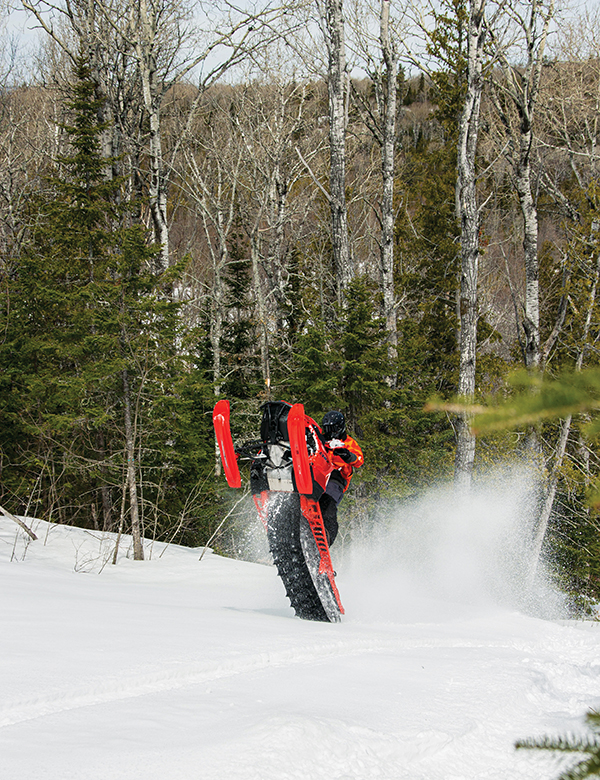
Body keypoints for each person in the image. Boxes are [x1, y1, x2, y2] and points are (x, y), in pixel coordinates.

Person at [318, 410, 364, 546]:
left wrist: (347, 455)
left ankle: (327, 537)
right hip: (318, 473)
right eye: (327, 430)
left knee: (328, 503)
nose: (330, 434)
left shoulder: (349, 442)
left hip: (336, 477)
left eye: (333, 430)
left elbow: (359, 460)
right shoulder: (320, 438)